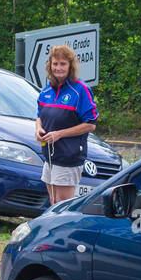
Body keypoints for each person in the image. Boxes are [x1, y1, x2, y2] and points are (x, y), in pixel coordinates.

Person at [35, 44, 98, 206]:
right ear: (50, 66)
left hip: (69, 156)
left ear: (70, 66)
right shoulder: (46, 91)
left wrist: (59, 134)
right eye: (55, 64)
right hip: (49, 156)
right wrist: (38, 129)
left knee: (63, 204)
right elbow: (39, 116)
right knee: (53, 202)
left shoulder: (80, 90)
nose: (58, 68)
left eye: (63, 64)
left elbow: (90, 124)